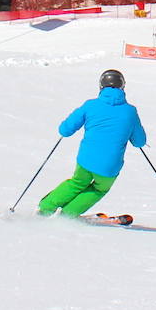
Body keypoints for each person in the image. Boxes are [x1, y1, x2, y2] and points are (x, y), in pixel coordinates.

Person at [38, 69, 147, 218]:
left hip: (86, 160)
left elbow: (65, 129)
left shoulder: (90, 105)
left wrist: (65, 130)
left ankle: (46, 207)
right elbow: (139, 142)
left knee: (77, 183)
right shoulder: (130, 111)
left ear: (101, 86)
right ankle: (68, 214)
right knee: (99, 189)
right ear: (123, 87)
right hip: (110, 166)